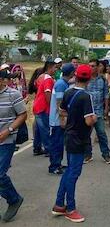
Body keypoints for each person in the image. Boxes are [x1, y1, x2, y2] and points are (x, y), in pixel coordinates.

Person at [51, 64, 97, 223]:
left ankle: (58, 204)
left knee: (69, 171)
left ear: (75, 76)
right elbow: (89, 120)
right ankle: (70, 208)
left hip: (69, 134)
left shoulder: (68, 92)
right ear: (89, 78)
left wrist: (69, 119)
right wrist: (94, 119)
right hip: (79, 138)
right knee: (74, 173)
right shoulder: (86, 96)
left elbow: (62, 111)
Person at [0, 70, 27, 222]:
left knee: (0, 174)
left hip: (6, 140)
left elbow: (23, 115)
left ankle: (14, 199)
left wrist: (9, 130)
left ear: (3, 80)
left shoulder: (13, 95)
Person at [48, 63, 76, 175]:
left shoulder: (63, 83)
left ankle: (57, 164)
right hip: (56, 121)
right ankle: (54, 166)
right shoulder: (61, 85)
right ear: (71, 73)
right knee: (57, 144)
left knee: (59, 144)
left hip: (58, 120)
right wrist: (62, 120)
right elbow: (60, 105)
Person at [84, 59, 110, 164]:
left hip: (99, 110)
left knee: (101, 134)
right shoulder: (85, 79)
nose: (91, 68)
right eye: (89, 66)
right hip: (87, 111)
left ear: (97, 67)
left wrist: (106, 108)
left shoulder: (103, 80)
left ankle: (106, 155)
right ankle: (88, 155)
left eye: (93, 66)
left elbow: (106, 95)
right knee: (86, 134)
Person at [32, 60, 57, 156]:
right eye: (55, 68)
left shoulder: (41, 77)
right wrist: (51, 106)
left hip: (37, 105)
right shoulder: (48, 79)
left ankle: (37, 148)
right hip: (43, 107)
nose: (56, 70)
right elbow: (47, 93)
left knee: (39, 129)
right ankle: (48, 149)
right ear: (50, 67)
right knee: (45, 129)